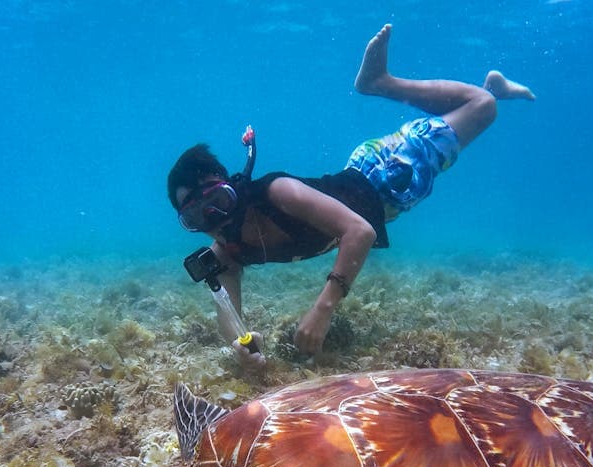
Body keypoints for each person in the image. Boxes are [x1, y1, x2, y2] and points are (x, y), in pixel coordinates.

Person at [168, 24, 534, 371]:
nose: (215, 220)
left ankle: (380, 83)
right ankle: (492, 86)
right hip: (378, 187)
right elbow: (229, 316)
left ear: (231, 186)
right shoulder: (226, 252)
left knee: (482, 108)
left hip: (387, 174)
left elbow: (359, 232)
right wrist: (242, 347)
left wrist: (323, 309)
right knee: (467, 115)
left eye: (217, 201)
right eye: (197, 218)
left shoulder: (276, 192)